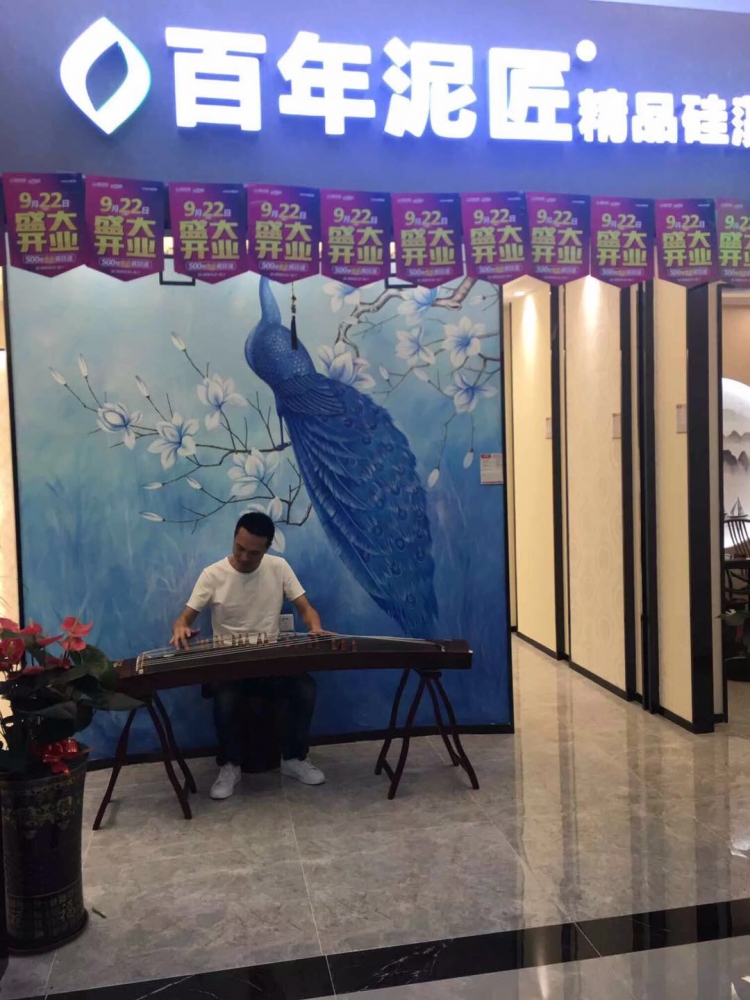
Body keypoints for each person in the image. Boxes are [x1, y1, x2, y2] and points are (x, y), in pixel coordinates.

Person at [171, 511, 326, 800]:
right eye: (239, 548)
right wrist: (181, 628)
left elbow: (306, 609)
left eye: (253, 553)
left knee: (305, 687)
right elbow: (184, 618)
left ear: (266, 550)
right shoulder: (212, 575)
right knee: (226, 696)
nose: (243, 557)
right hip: (230, 664)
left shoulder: (279, 567)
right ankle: (230, 766)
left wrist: (314, 628)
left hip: (270, 661)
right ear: (234, 539)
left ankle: (293, 758)